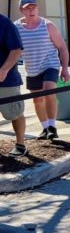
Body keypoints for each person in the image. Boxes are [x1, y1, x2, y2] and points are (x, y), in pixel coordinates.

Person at [14, 0, 70, 140]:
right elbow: (13, 50)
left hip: (49, 65)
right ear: (21, 10)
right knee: (37, 100)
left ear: (38, 8)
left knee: (48, 91)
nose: (31, 10)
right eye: (28, 8)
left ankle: (52, 127)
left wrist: (64, 69)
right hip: (32, 68)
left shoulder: (47, 25)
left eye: (34, 7)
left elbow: (62, 48)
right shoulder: (16, 27)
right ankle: (45, 128)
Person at [0, 13, 27, 157]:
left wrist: (4, 69)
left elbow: (16, 50)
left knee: (14, 112)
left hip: (6, 80)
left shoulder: (5, 23)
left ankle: (21, 144)